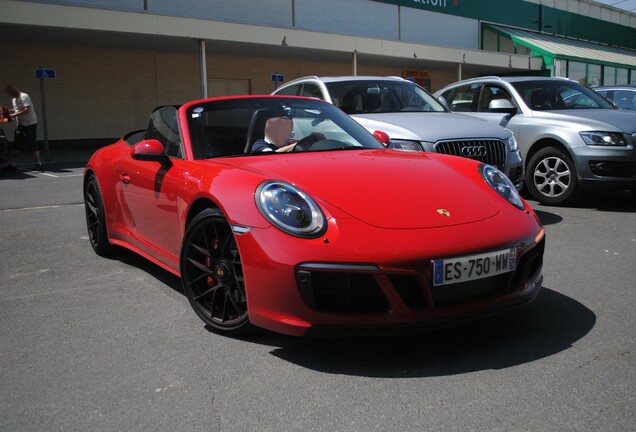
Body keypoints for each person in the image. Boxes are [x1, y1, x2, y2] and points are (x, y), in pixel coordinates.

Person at [4, 84, 43, 170]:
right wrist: (7, 111)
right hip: (20, 125)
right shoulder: (14, 99)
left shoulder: (24, 96)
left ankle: (39, 163)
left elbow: (27, 109)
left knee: (31, 143)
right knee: (17, 144)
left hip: (30, 124)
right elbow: (17, 109)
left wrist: (14, 115)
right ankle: (12, 163)